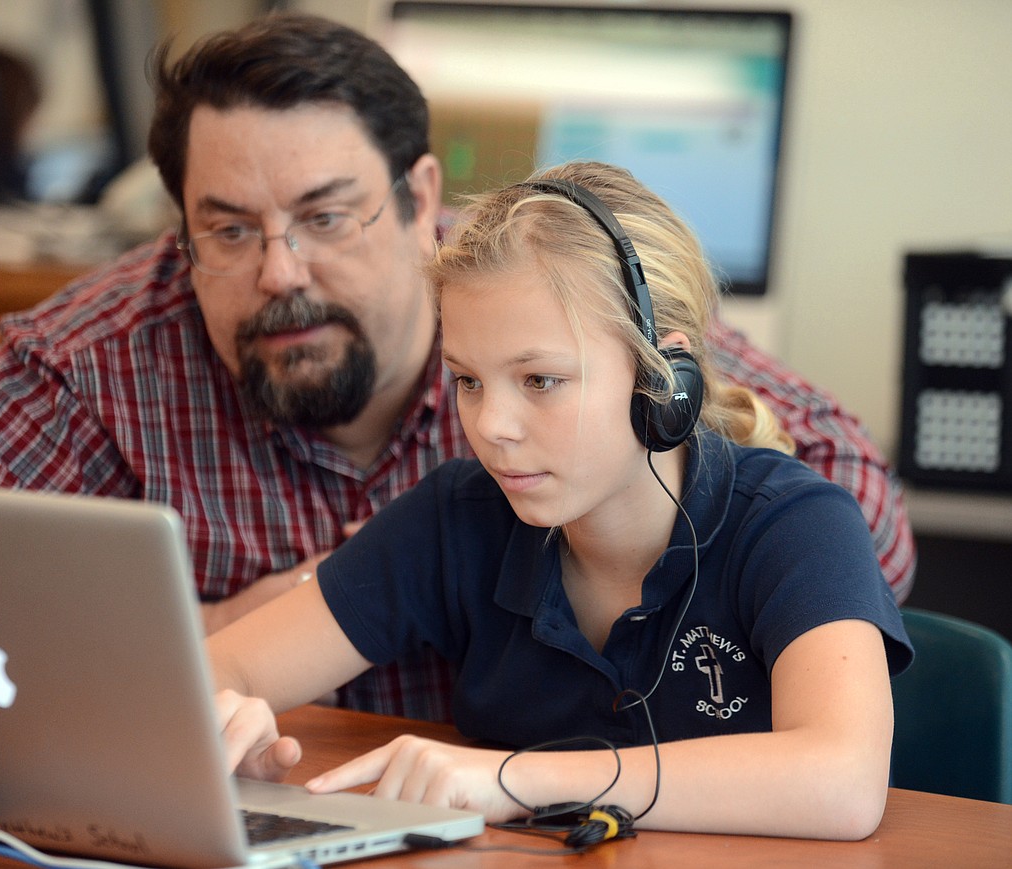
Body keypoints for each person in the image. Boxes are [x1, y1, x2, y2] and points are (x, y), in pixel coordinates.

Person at [0, 14, 913, 722]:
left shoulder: (535, 292)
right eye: (227, 230)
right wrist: (242, 615)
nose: (281, 270)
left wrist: (635, 584)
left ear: (423, 201)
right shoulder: (91, 365)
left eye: (326, 216)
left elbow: (847, 493)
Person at [205, 161, 913, 840]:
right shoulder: (457, 518)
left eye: (539, 380)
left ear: (663, 376)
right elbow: (212, 670)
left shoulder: (795, 523)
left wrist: (516, 778)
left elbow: (842, 780)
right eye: (468, 380)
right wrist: (222, 720)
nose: (490, 427)